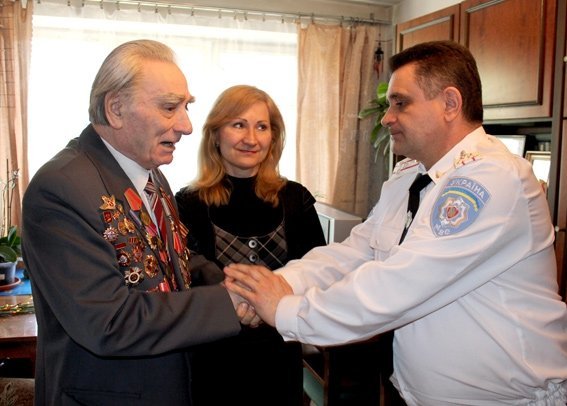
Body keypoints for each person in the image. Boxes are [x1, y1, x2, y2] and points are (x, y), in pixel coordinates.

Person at [224, 41, 567, 405]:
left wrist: (285, 310)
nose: (386, 117)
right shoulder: (409, 176)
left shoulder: (492, 178)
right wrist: (277, 284)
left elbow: (400, 283)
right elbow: (355, 253)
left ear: (450, 104)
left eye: (400, 103)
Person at [22, 39, 253, 405]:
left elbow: (165, 259)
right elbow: (109, 321)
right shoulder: (61, 187)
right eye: (169, 107)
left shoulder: (151, 175)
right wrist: (228, 301)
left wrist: (233, 280)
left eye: (186, 107)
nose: (187, 125)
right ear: (116, 109)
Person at [175, 84, 326, 406]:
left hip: (279, 359)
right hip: (213, 361)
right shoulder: (187, 203)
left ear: (274, 137)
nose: (251, 138)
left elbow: (318, 272)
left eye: (262, 127)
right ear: (216, 135)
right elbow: (185, 280)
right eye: (238, 125)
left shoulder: (295, 198)